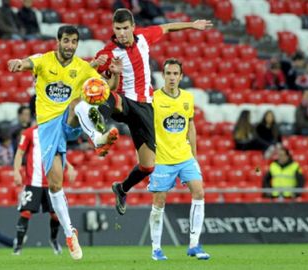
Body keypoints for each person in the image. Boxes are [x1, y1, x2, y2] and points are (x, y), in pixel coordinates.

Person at [79, 8, 212, 216]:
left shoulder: (143, 38)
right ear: (113, 29)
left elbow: (167, 27)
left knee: (148, 166)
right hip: (124, 101)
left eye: (125, 28)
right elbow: (93, 75)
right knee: (102, 92)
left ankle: (122, 189)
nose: (121, 32)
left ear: (133, 27)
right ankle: (98, 134)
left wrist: (192, 25)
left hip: (146, 107)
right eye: (117, 28)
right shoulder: (108, 52)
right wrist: (99, 66)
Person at [7, 25, 121, 260]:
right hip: (48, 128)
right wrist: (19, 63)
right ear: (58, 41)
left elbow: (104, 89)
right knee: (56, 184)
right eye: (66, 41)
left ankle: (99, 137)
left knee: (78, 102)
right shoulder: (44, 60)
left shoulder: (82, 67)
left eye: (74, 42)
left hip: (69, 122)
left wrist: (116, 74)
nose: (70, 46)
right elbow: (28, 62)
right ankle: (70, 233)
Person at [147, 59, 209, 261]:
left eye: (175, 74)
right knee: (159, 200)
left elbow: (190, 126)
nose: (172, 77)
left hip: (185, 156)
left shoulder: (188, 98)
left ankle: (194, 245)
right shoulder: (153, 99)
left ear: (181, 76)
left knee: (199, 192)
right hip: (162, 159)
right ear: (163, 75)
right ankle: (156, 248)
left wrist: (195, 156)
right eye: (168, 73)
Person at [12, 125, 78, 255]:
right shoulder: (29, 133)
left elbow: (58, 153)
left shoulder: (53, 131)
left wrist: (69, 166)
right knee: (25, 213)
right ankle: (18, 246)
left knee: (55, 215)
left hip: (50, 181)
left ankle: (53, 240)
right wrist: (16, 171)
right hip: (33, 182)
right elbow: (20, 152)